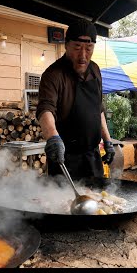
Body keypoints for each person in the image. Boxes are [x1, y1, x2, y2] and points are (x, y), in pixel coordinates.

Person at [36, 18, 115, 179]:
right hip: (65, 160)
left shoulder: (95, 70)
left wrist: (107, 141)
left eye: (89, 48)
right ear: (66, 45)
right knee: (64, 203)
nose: (83, 56)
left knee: (98, 202)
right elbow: (45, 109)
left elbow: (98, 109)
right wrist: (53, 137)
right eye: (77, 47)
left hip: (92, 157)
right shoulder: (53, 75)